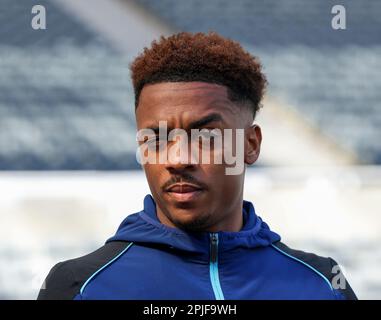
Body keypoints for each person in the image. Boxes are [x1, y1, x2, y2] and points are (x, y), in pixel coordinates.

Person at [37, 32, 357, 300]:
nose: (178, 160)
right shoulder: (80, 287)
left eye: (205, 136)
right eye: (157, 138)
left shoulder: (323, 285)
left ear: (250, 144)